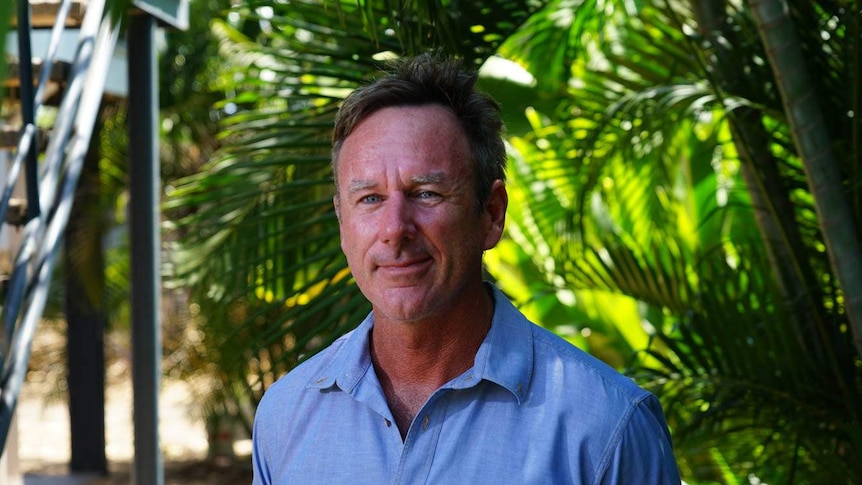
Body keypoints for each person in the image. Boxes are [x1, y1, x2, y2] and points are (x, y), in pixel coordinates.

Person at [251, 52, 681, 484]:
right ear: (342, 222)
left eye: (427, 193)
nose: (394, 230)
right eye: (370, 199)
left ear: (492, 214)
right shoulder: (285, 416)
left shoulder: (608, 427)